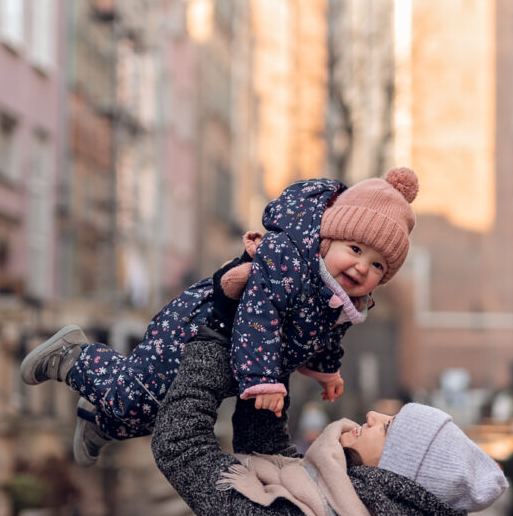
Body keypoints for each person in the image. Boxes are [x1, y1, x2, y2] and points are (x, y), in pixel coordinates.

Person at [21, 168, 420, 465]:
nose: (362, 268)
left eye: (378, 265)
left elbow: (325, 336)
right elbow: (260, 317)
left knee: (159, 413)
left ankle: (99, 420)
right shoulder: (288, 260)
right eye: (355, 250)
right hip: (196, 328)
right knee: (139, 397)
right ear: (328, 240)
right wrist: (263, 379)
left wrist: (327, 371)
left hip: (232, 358)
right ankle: (73, 357)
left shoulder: (344, 300)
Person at [151, 329, 509, 516]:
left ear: (394, 474)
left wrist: (212, 338)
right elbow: (269, 453)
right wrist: (265, 358)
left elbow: (180, 446)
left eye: (388, 428)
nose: (374, 416)